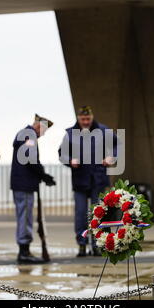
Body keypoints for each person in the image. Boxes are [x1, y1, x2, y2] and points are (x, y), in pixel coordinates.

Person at [58, 106, 117, 257]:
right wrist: (70, 161)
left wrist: (112, 157)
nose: (85, 122)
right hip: (80, 181)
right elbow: (61, 154)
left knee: (98, 214)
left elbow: (117, 145)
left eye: (88, 119)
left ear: (92, 117)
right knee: (81, 214)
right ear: (78, 118)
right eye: (82, 119)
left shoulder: (103, 130)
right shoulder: (70, 134)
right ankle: (82, 244)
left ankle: (97, 245)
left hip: (99, 179)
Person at [10, 114, 55, 264]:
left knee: (25, 216)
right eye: (44, 131)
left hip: (24, 183)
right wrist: (43, 174)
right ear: (39, 126)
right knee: (25, 217)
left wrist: (42, 175)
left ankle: (25, 250)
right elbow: (30, 158)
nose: (43, 134)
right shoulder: (28, 135)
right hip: (24, 184)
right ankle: (24, 252)